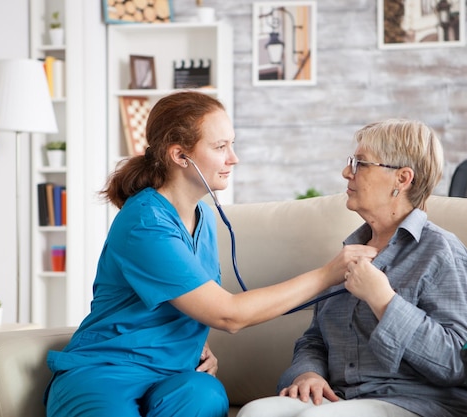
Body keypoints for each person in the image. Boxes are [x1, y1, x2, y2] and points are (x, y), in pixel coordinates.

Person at [44, 91, 377, 417]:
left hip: (174, 375)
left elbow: (183, 304)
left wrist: (190, 347)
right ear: (180, 156)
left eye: (231, 144)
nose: (234, 158)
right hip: (108, 371)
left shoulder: (202, 217)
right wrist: (326, 274)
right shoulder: (144, 222)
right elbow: (226, 314)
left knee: (204, 395)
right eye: (221, 147)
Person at [237, 119, 467, 417]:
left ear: (402, 179)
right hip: (344, 400)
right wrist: (307, 374)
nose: (346, 172)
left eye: (361, 163)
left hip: (417, 404)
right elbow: (314, 339)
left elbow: (458, 363)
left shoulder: (442, 252)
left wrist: (384, 301)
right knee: (255, 412)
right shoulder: (350, 253)